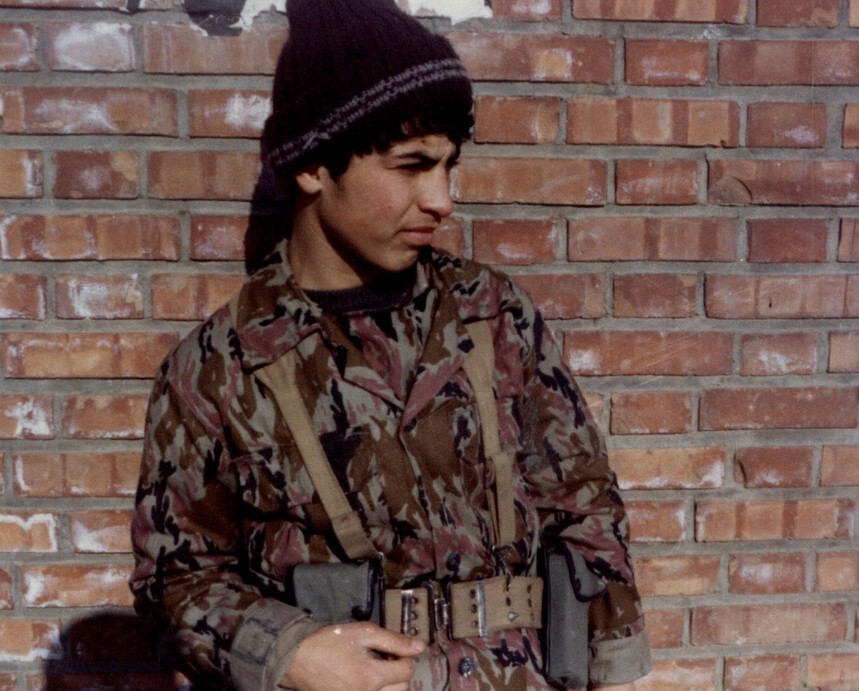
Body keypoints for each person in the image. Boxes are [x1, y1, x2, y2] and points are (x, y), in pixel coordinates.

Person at [130, 0, 652, 689]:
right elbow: (175, 580)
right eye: (411, 165)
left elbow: (582, 502)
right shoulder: (219, 367)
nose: (442, 199)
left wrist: (617, 671)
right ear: (313, 164)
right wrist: (289, 652)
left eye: (448, 166)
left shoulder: (493, 316)